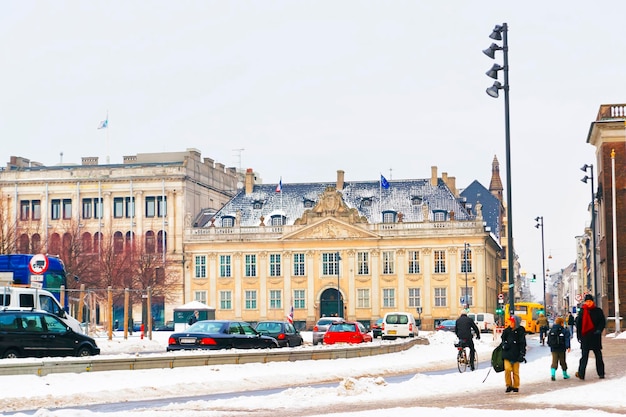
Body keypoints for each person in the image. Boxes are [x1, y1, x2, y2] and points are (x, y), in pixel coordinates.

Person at [575, 294, 606, 380]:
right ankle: (581, 373)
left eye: (590, 301)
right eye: (587, 301)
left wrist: (599, 330)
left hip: (595, 336)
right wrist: (579, 336)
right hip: (585, 337)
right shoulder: (582, 312)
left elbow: (602, 321)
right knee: (584, 356)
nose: (588, 303)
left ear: (593, 301)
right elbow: (579, 325)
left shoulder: (598, 311)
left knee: (598, 356)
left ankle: (601, 373)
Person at [501, 315, 527, 393]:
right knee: (508, 369)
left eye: (512, 322)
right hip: (507, 353)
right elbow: (502, 339)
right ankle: (508, 385)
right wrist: (504, 344)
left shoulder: (520, 331)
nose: (510, 323)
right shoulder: (506, 331)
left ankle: (516, 386)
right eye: (510, 321)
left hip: (516, 354)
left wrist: (522, 353)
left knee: (516, 372)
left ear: (516, 323)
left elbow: (522, 343)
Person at [548, 316, 571, 380]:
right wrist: (568, 347)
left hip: (554, 348)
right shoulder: (564, 330)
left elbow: (549, 339)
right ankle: (565, 374)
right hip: (561, 348)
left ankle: (553, 374)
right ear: (561, 323)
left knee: (554, 361)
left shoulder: (552, 330)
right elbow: (567, 339)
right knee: (563, 361)